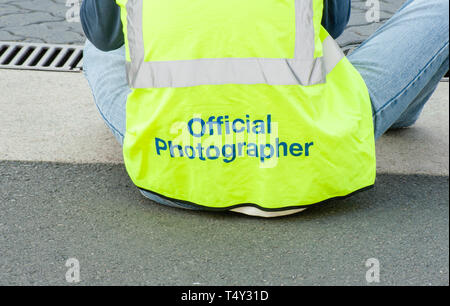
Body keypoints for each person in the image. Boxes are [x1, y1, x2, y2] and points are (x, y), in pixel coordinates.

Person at [80, 0, 449, 216]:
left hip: (172, 164)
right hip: (307, 156)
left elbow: (103, 35)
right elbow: (332, 25)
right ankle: (394, 112)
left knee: (97, 49)